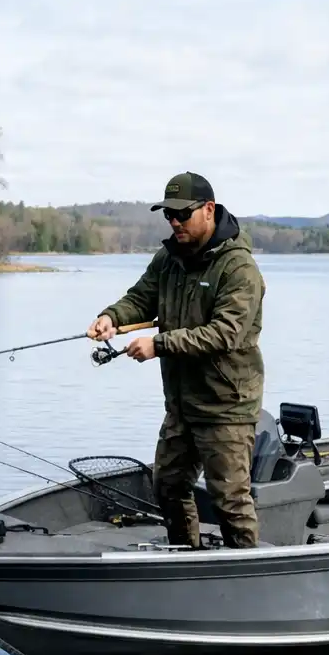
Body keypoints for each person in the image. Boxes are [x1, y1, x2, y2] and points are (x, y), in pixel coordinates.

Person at [87, 171, 267, 549]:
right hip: (182, 405)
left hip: (226, 407)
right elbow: (140, 298)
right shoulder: (169, 258)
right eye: (168, 214)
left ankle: (247, 576)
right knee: (167, 485)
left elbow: (224, 334)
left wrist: (159, 344)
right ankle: (187, 555)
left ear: (208, 210)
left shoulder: (239, 269)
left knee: (231, 503)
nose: (174, 221)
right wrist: (112, 318)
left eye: (182, 214)